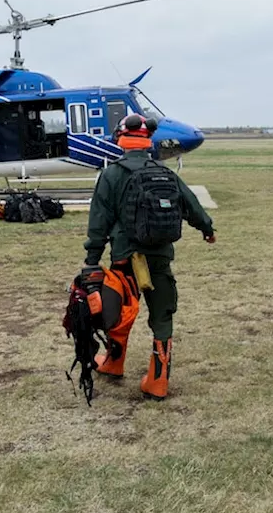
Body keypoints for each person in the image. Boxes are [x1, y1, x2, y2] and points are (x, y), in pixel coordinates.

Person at [83, 113, 216, 400]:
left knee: (120, 313)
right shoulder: (165, 172)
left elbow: (99, 221)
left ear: (122, 139)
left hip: (125, 259)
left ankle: (113, 362)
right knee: (162, 315)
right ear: (148, 142)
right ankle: (158, 381)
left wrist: (92, 259)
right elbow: (191, 205)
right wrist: (207, 230)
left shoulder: (112, 174)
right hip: (159, 258)